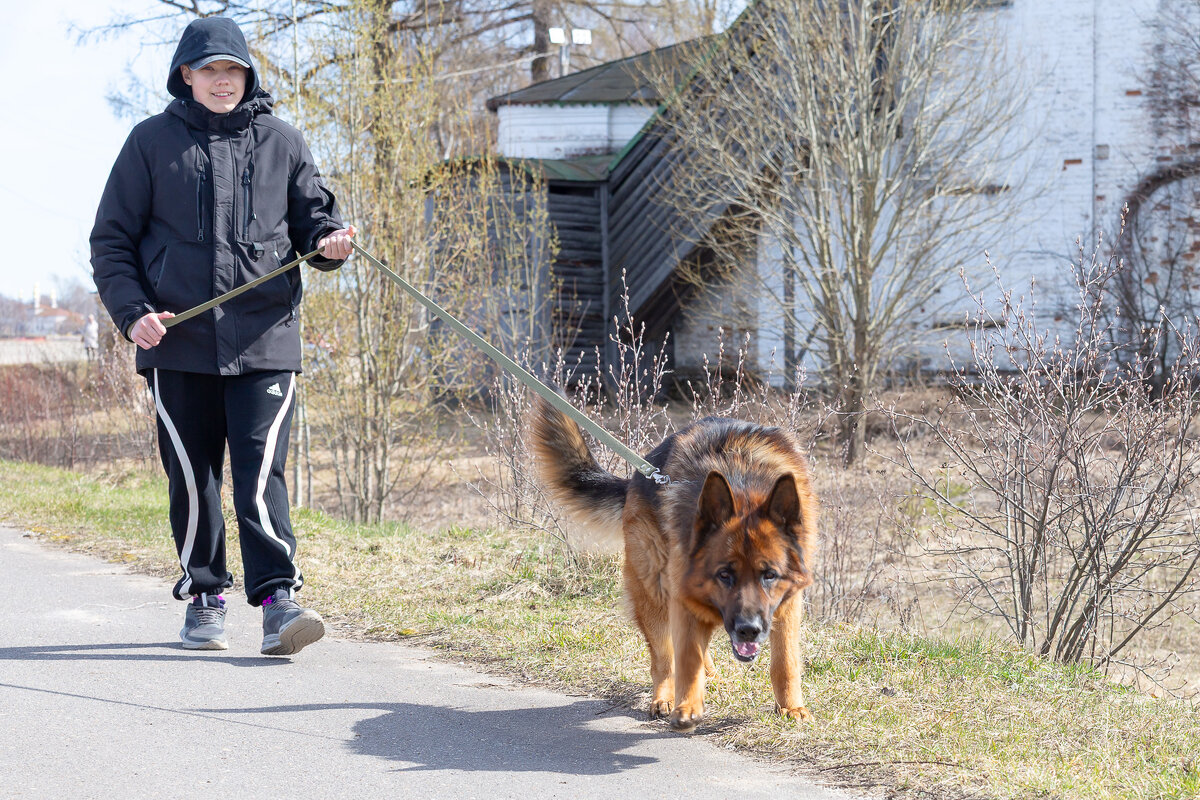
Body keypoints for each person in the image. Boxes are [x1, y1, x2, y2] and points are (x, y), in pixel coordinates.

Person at [90, 16, 354, 655]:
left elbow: (315, 223)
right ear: (186, 74)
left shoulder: (283, 141)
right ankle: (205, 595)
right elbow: (111, 242)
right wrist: (132, 314)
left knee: (260, 475)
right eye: (210, 69)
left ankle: (277, 602)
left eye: (233, 69)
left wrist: (331, 244)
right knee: (193, 477)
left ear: (248, 76)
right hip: (175, 344)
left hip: (266, 340)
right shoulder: (149, 143)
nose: (222, 81)